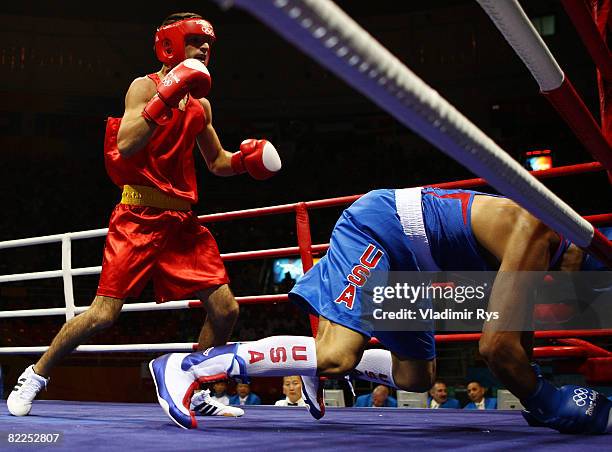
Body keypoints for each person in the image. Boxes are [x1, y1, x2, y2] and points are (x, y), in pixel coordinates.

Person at [148, 186, 612, 432]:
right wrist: (547, 401)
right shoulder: (539, 235)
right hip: (384, 228)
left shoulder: (548, 260)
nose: (567, 304)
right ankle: (187, 367)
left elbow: (517, 340)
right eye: (579, 293)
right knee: (337, 355)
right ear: (580, 262)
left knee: (416, 376)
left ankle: (317, 358)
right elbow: (498, 349)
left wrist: (533, 393)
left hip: (414, 266)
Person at [7, 11, 281, 419]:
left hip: (183, 224)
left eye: (209, 43)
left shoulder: (201, 105)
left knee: (226, 310)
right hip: (138, 215)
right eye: (194, 41)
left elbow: (218, 162)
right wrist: (166, 96)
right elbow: (128, 142)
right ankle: (34, 374)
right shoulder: (143, 87)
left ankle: (192, 384)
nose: (205, 48)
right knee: (103, 315)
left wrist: (247, 160)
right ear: (170, 43)